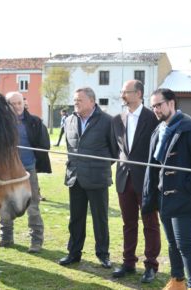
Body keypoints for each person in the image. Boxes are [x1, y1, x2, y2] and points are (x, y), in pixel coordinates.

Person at [142, 88, 191, 290]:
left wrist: (186, 187)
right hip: (164, 199)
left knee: (185, 245)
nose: (155, 109)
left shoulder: (189, 128)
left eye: (159, 105)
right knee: (173, 245)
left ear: (171, 103)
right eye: (153, 105)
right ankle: (177, 281)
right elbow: (154, 166)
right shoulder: (159, 129)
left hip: (185, 199)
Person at [58, 87, 117, 269]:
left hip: (97, 178)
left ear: (92, 101)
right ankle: (73, 253)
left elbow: (115, 151)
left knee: (100, 219)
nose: (75, 103)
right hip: (75, 178)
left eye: (79, 100)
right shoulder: (69, 120)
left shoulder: (107, 121)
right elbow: (70, 148)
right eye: (75, 100)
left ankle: (103, 254)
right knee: (76, 219)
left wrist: (98, 167)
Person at [111, 80, 161, 283]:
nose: (122, 95)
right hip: (124, 179)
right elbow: (117, 149)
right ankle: (128, 262)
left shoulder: (152, 118)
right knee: (128, 223)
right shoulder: (117, 119)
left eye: (126, 92)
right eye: (122, 91)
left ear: (139, 93)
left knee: (150, 223)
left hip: (147, 179)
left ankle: (151, 265)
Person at [0, 91, 51, 253]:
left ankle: (36, 241)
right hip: (7, 171)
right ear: (7, 106)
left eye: (19, 103)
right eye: (13, 104)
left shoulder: (34, 122)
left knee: (33, 205)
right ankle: (6, 238)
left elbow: (44, 145)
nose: (17, 107)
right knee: (5, 204)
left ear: (23, 103)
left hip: (28, 169)